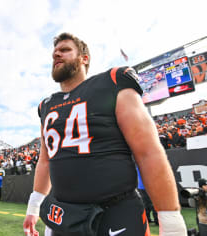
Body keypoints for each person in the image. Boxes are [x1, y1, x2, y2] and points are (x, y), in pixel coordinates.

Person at [23, 33, 186, 236]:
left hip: (115, 213)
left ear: (84, 58)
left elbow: (148, 152)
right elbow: (45, 161)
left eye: (65, 50)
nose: (56, 54)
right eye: (55, 52)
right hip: (63, 215)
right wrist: (34, 206)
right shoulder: (46, 105)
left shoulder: (112, 82)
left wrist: (171, 223)